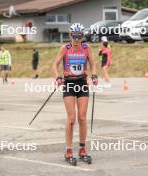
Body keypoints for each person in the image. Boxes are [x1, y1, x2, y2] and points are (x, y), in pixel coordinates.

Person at [52, 23, 97, 164]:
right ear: (70, 35)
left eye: (80, 36)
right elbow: (55, 64)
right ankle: (68, 150)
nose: (77, 39)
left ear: (82, 36)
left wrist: (94, 75)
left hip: (82, 83)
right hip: (69, 84)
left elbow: (93, 64)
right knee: (71, 119)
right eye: (75, 36)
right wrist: (58, 77)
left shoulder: (86, 48)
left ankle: (82, 149)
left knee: (82, 118)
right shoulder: (65, 48)